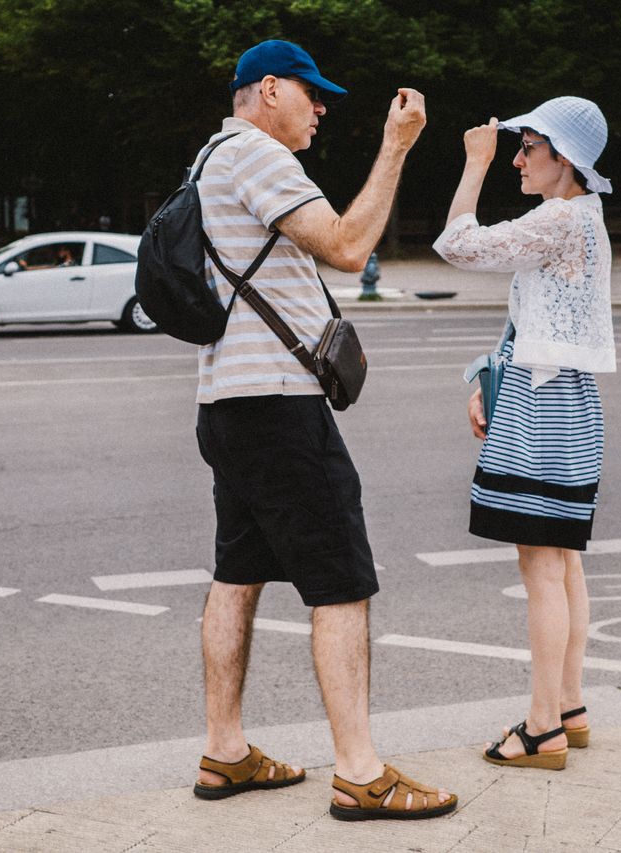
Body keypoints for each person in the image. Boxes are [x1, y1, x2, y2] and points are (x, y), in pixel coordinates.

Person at [188, 39, 456, 820]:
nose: (322, 108)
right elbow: (346, 245)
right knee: (340, 578)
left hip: (226, 402)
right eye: (312, 93)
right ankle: (361, 771)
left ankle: (226, 751)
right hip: (276, 406)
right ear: (268, 90)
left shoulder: (208, 157)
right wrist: (394, 147)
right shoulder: (260, 156)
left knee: (236, 574)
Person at [433, 97, 615, 770]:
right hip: (567, 397)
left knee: (540, 564)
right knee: (562, 560)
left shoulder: (560, 216)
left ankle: (542, 729)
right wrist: (487, 373)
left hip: (541, 404)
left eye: (527, 147)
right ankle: (568, 703)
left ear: (561, 158)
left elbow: (457, 244)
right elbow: (538, 318)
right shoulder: (584, 216)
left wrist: (473, 163)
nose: (515, 157)